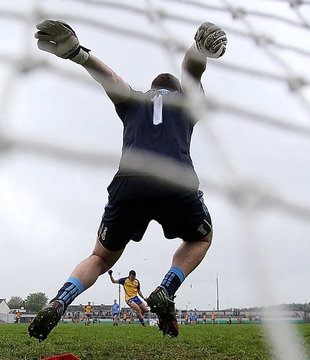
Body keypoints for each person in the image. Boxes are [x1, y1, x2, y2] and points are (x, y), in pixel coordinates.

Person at [27, 19, 226, 342]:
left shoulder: (134, 101)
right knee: (201, 239)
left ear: (151, 90)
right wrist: (197, 49)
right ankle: (166, 289)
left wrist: (79, 54)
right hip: (176, 179)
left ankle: (60, 301)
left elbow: (112, 80)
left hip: (129, 181)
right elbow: (192, 70)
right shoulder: (184, 103)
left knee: (101, 257)